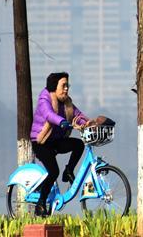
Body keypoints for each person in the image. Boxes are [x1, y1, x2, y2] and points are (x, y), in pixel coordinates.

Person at [30, 72, 93, 216]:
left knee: (78, 145)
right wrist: (61, 121)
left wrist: (90, 123)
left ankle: (69, 171)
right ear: (54, 87)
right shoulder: (44, 98)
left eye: (67, 85)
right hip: (41, 142)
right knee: (53, 172)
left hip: (55, 140)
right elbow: (48, 115)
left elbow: (78, 115)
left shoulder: (67, 103)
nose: (66, 89)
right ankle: (40, 203)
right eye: (63, 85)